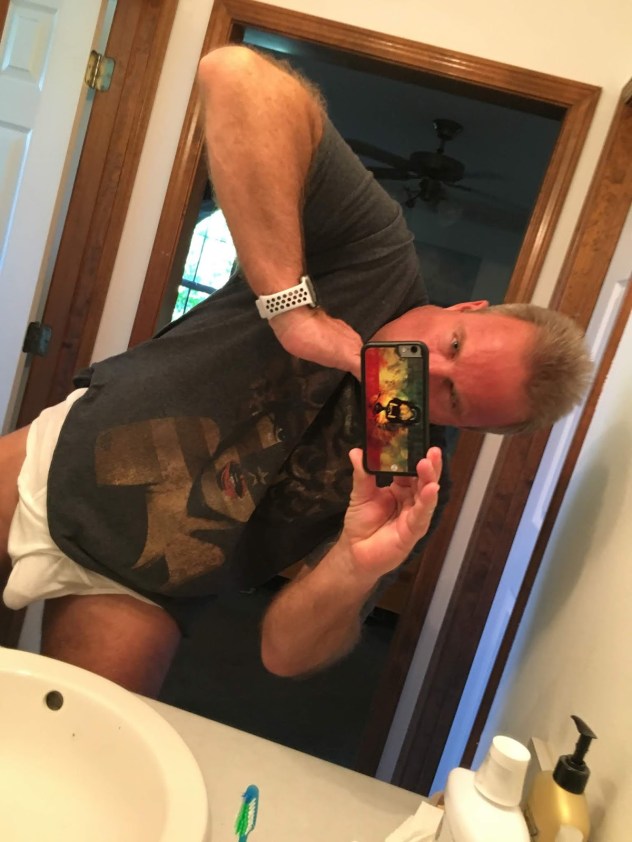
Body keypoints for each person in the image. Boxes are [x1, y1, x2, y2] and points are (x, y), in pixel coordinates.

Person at [0, 47, 592, 698]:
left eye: (452, 397)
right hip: (59, 463)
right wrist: (292, 311)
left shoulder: (410, 479)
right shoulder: (376, 256)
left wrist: (354, 563)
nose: (427, 367)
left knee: (83, 745)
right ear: (468, 308)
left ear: (465, 429)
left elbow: (284, 653)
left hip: (143, 586)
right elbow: (235, 74)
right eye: (454, 343)